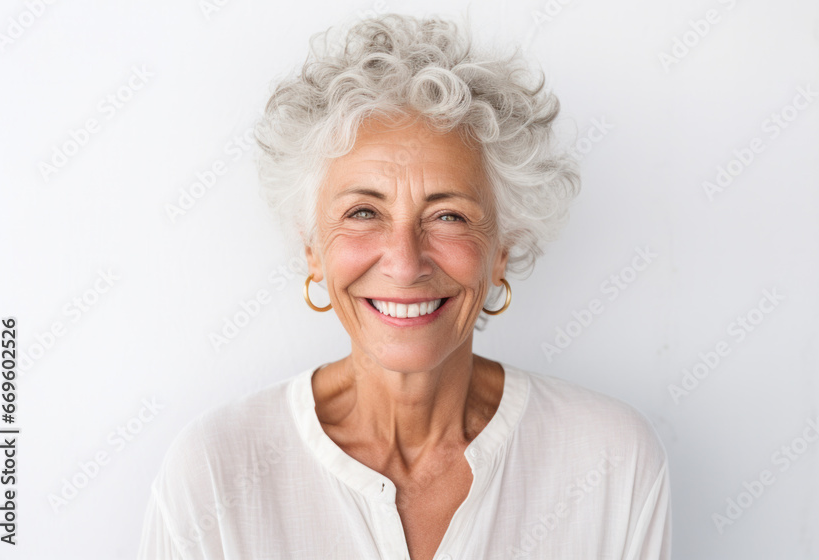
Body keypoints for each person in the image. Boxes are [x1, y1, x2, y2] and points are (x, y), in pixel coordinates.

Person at [138, 13, 670, 560]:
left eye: (448, 217)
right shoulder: (213, 471)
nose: (404, 261)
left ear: (502, 249)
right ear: (312, 251)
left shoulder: (610, 460)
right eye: (364, 211)